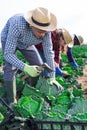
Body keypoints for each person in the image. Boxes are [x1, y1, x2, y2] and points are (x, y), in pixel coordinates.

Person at [1, 7, 63, 105]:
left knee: (38, 65)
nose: (43, 35)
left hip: (27, 44)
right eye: (39, 31)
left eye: (44, 31)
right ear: (31, 25)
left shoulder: (45, 32)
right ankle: (11, 101)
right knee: (10, 68)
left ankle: (31, 90)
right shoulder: (18, 24)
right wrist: (25, 67)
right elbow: (8, 54)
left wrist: (52, 77)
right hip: (10, 40)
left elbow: (49, 53)